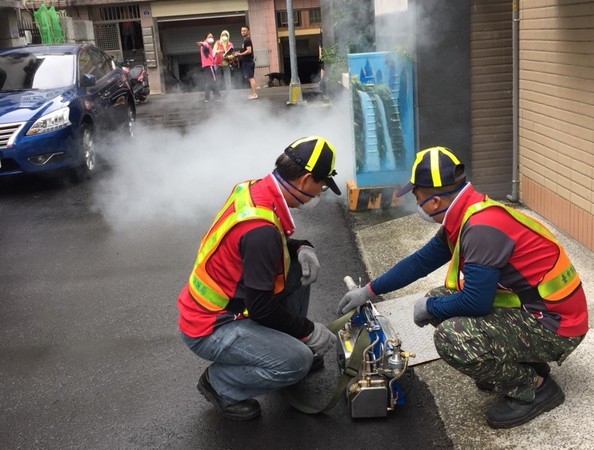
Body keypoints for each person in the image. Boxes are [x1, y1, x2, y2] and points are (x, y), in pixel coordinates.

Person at [337, 146, 588, 429]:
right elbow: (420, 262)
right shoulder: (468, 214)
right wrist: (370, 290)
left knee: (452, 337)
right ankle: (522, 363)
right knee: (438, 298)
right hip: (539, 312)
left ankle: (536, 387)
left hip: (557, 328)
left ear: (433, 201)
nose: (416, 203)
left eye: (417, 196)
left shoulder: (481, 228)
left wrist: (427, 308)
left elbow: (477, 302)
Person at [178, 136, 341, 421]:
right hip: (211, 327)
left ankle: (282, 346)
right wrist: (308, 331)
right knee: (296, 362)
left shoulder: (254, 189)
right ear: (305, 180)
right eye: (322, 185)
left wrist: (300, 247)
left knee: (296, 270)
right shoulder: (260, 230)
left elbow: (262, 249)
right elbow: (262, 308)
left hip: (229, 304)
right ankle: (220, 384)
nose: (321, 192)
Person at [235, 25, 258, 99]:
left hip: (248, 62)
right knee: (251, 78)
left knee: (251, 78)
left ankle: (254, 94)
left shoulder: (247, 40)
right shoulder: (245, 40)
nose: (243, 32)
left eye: (244, 31)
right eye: (242, 31)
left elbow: (249, 50)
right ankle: (253, 93)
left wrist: (240, 54)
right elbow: (245, 50)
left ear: (248, 31)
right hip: (247, 62)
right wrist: (238, 53)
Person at [197, 33, 220, 102]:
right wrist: (202, 43)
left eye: (212, 37)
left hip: (208, 65)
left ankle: (208, 97)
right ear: (206, 38)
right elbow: (204, 44)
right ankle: (215, 96)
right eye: (209, 37)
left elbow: (211, 54)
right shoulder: (206, 44)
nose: (211, 38)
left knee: (209, 81)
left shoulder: (210, 45)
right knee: (213, 80)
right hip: (209, 65)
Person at [213, 30, 234, 94]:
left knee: (227, 78)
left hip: (226, 63)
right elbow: (213, 51)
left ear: (228, 36)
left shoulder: (230, 44)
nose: (224, 36)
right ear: (221, 36)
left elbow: (232, 55)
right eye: (223, 35)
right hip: (218, 63)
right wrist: (218, 51)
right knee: (217, 78)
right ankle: (216, 92)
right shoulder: (217, 42)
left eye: (226, 35)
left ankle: (229, 92)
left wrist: (227, 57)